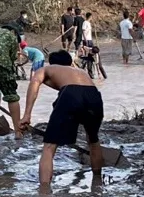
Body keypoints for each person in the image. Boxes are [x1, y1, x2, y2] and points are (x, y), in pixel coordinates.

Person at [19, 50, 104, 187]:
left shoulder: (47, 69)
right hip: (94, 96)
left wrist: (27, 115)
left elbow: (34, 82)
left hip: (70, 95)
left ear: (52, 63)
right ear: (70, 62)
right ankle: (97, 182)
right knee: (93, 140)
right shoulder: (81, 72)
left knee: (49, 146)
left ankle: (44, 190)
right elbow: (74, 89)